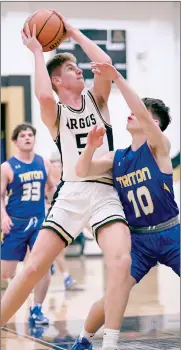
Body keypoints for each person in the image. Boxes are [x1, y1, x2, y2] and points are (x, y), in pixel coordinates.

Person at [1, 13, 131, 350]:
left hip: (105, 191)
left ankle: (110, 343)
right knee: (31, 269)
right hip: (72, 192)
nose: (80, 71)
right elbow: (43, 97)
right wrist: (36, 52)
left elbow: (104, 65)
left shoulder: (97, 100)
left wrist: (72, 31)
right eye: (72, 70)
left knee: (121, 261)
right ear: (59, 81)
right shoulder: (56, 112)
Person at [71, 62, 180, 349]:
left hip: (171, 233)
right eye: (132, 110)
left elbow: (141, 111)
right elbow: (82, 170)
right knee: (113, 295)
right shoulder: (116, 158)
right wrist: (91, 147)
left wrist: (117, 77)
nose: (131, 113)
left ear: (153, 124)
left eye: (140, 112)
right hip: (138, 240)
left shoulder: (159, 147)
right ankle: (83, 339)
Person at [1, 122, 55, 325]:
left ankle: (37, 309)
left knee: (43, 267)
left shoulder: (44, 162)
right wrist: (3, 217)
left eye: (30, 134)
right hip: (15, 224)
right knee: (7, 272)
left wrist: (52, 207)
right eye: (22, 135)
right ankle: (9, 305)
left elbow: (51, 188)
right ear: (15, 141)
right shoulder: (6, 167)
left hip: (39, 222)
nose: (27, 137)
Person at [49, 152, 76, 290]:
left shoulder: (66, 181)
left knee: (59, 251)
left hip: (64, 218)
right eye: (54, 165)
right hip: (48, 218)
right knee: (57, 251)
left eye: (59, 165)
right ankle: (65, 277)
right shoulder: (47, 183)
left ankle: (52, 265)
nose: (57, 168)